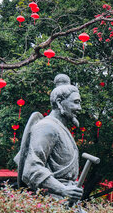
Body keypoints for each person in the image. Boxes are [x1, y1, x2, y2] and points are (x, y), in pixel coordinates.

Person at [14, 74, 83, 203]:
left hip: (66, 201)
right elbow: (32, 168)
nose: (79, 108)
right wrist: (63, 189)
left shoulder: (60, 128)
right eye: (76, 102)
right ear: (59, 102)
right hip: (52, 202)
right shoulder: (47, 127)